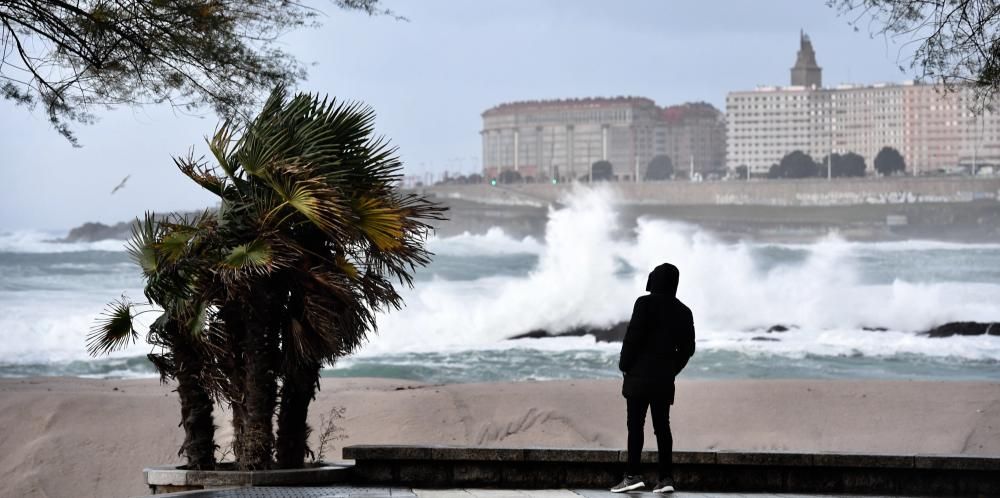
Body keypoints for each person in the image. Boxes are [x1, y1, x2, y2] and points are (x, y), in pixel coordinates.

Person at [610, 262, 696, 494]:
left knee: (635, 426)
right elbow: (688, 349)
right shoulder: (684, 311)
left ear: (654, 280)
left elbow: (633, 338)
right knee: (662, 428)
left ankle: (632, 476)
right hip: (663, 380)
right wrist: (671, 370)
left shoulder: (644, 303)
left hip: (638, 376)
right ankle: (666, 478)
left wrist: (624, 365)